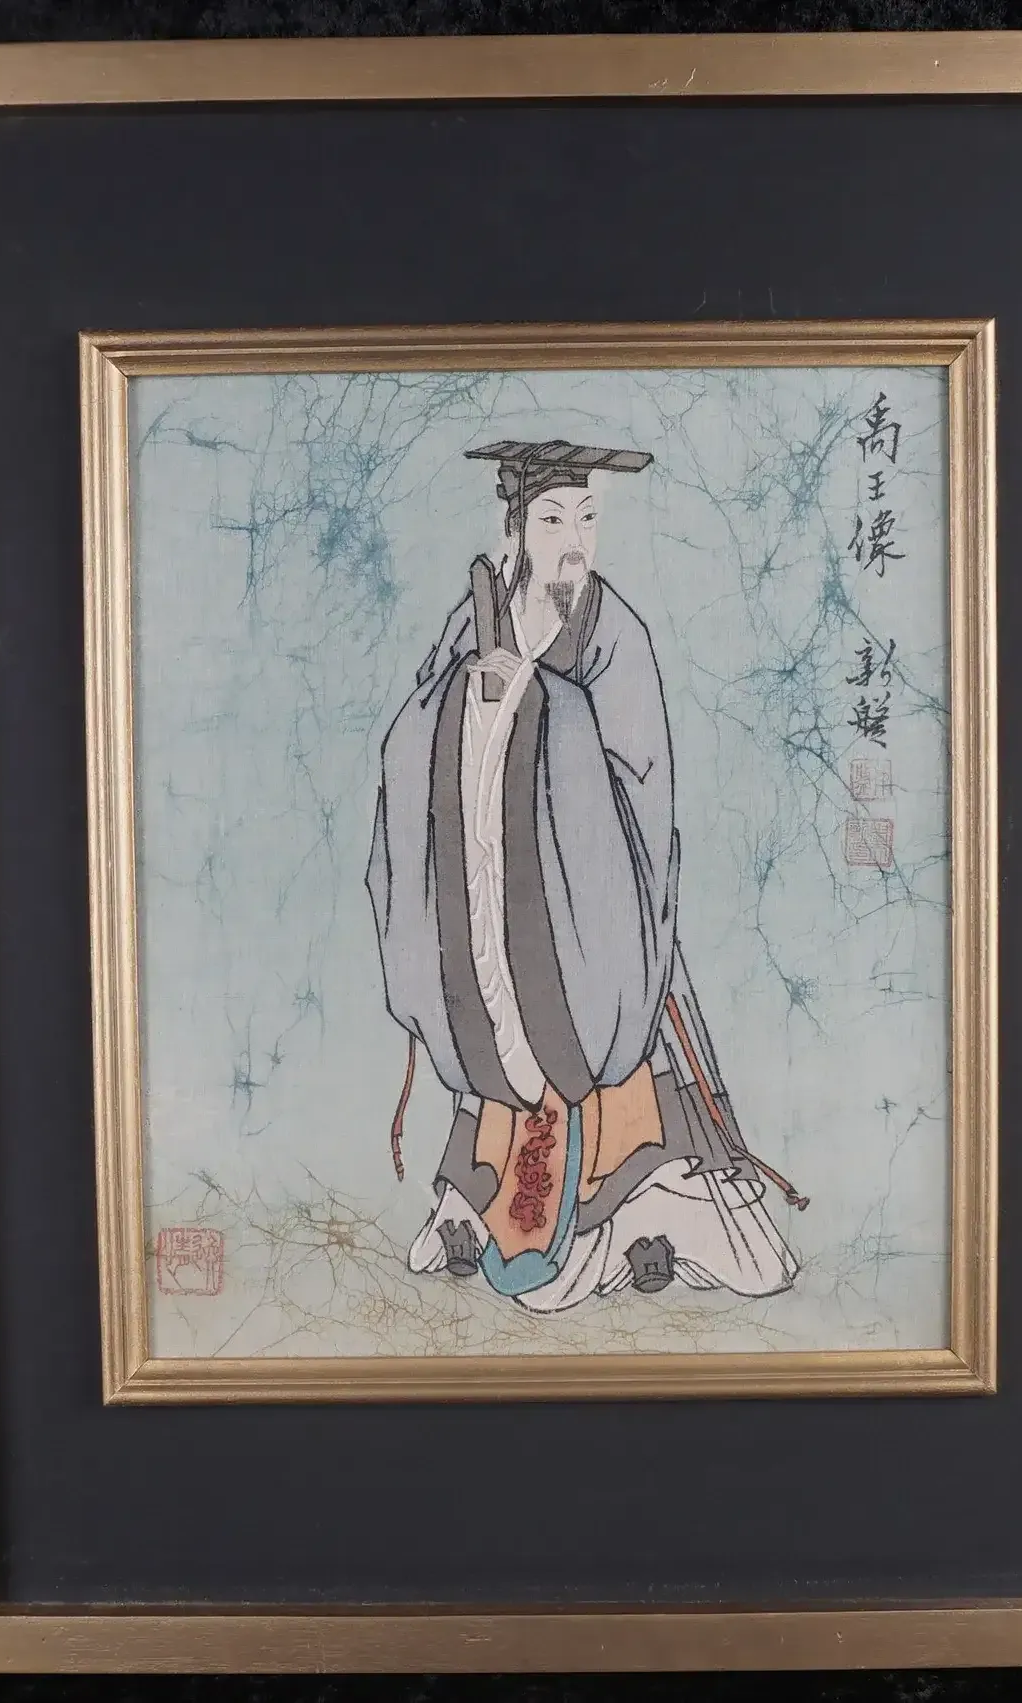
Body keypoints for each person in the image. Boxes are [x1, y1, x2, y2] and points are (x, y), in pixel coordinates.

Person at [365, 438, 804, 1312]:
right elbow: (421, 730)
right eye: (554, 520)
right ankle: (475, 1214)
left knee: (618, 1072)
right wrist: (475, 705)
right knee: (497, 1052)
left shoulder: (613, 633)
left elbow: (637, 782)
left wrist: (535, 710)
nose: (574, 543)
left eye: (588, 520)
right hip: (494, 905)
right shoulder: (473, 620)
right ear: (515, 529)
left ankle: (638, 1229)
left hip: (599, 920)